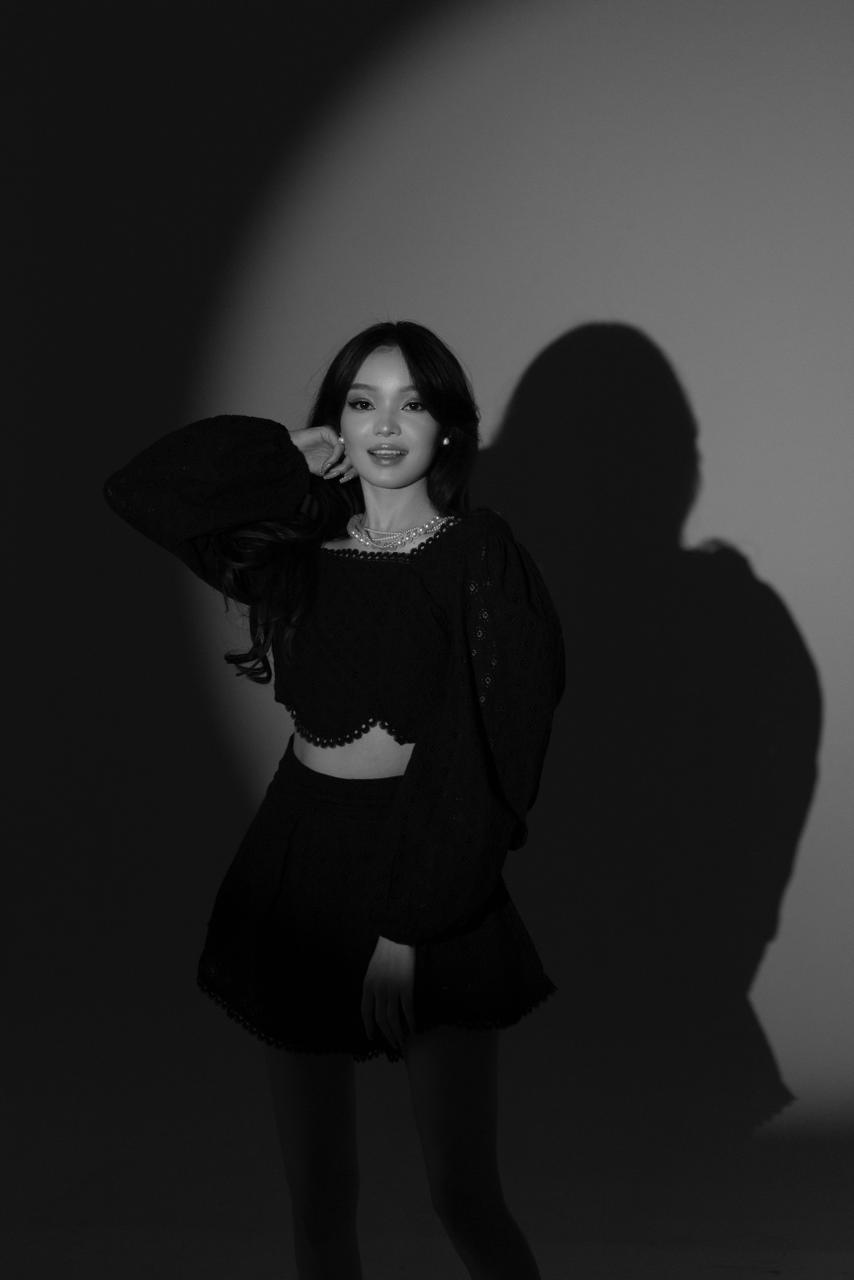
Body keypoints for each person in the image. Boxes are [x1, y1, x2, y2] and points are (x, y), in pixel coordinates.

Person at [103, 320, 565, 1280]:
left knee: (463, 1194)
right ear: (338, 423)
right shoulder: (301, 549)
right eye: (362, 404)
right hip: (300, 866)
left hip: (431, 865)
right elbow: (143, 491)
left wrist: (408, 930)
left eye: (412, 404)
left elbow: (493, 755)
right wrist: (282, 453)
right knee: (317, 1198)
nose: (385, 427)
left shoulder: (480, 555)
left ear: (450, 426)